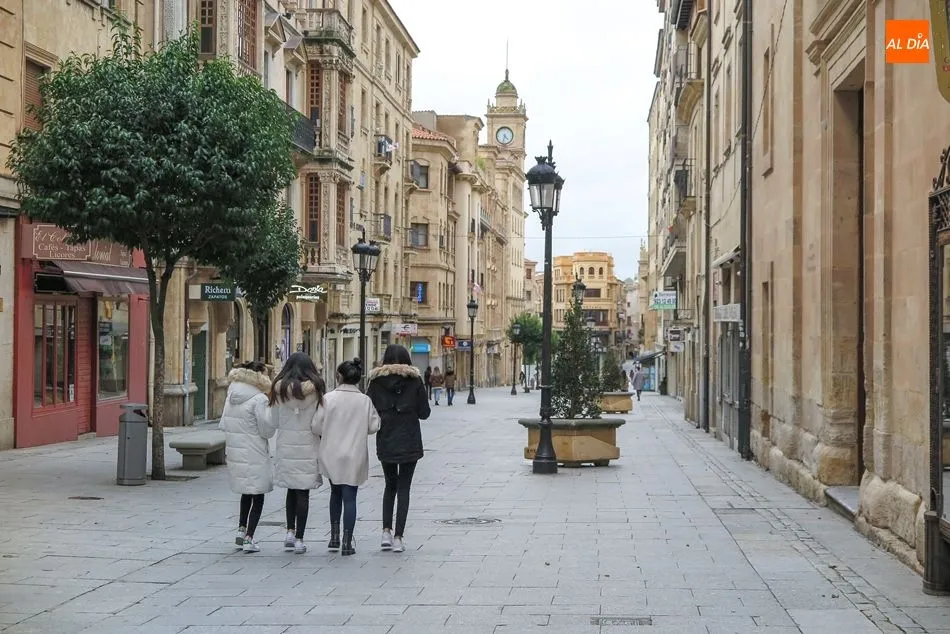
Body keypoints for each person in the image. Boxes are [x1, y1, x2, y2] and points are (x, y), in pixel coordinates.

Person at [366, 344, 431, 553]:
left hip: (386, 438)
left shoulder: (375, 382)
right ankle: (399, 537)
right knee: (404, 489)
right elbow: (424, 413)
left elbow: (369, 409)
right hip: (409, 439)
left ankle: (385, 531)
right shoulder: (415, 381)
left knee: (389, 486)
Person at [313, 358, 381, 556]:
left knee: (335, 493)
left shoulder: (328, 399)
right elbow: (374, 426)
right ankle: (347, 541)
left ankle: (334, 536)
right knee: (350, 497)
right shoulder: (364, 401)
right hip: (354, 453)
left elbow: (316, 426)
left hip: (331, 452)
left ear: (339, 377)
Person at [270, 352, 326, 554]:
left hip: (286, 445)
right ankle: (300, 538)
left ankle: (289, 532)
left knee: (291, 491)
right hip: (308, 446)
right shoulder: (316, 390)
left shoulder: (279, 390)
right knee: (303, 492)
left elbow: (273, 421)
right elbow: (320, 422)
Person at [218, 361, 275, 553]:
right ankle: (250, 537)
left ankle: (241, 531)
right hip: (255, 450)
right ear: (258, 376)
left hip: (236, 450)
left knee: (246, 492)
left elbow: (223, 424)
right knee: (258, 494)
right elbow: (267, 430)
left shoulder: (231, 394)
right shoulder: (259, 399)